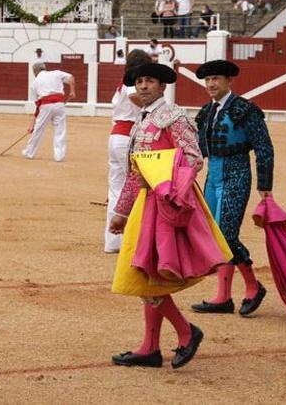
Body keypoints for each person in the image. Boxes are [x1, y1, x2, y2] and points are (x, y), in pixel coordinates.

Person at [109, 62, 226, 369]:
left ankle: (185, 332)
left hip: (165, 204)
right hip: (146, 205)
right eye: (140, 82)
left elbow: (192, 158)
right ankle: (150, 347)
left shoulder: (173, 117)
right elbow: (136, 172)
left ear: (163, 87)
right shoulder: (143, 119)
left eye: (150, 81)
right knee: (148, 272)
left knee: (148, 274)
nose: (144, 86)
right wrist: (121, 211)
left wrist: (163, 181)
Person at [190, 60, 274, 317]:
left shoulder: (244, 110)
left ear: (229, 81)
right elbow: (199, 150)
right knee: (215, 235)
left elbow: (263, 147)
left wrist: (265, 185)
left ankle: (252, 285)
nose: (211, 84)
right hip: (212, 177)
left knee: (226, 233)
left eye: (216, 79)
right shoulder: (206, 112)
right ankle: (223, 297)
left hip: (236, 175)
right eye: (208, 80)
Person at [104, 50, 151, 253]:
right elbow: (135, 97)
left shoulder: (124, 82)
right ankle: (129, 240)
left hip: (116, 136)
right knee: (132, 188)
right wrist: (155, 107)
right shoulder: (136, 83)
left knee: (116, 188)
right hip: (129, 136)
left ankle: (112, 242)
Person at [23, 62, 76, 162]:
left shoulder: (35, 82)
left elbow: (37, 105)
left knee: (39, 129)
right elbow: (71, 78)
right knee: (60, 130)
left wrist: (32, 125)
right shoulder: (56, 73)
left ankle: (29, 152)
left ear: (35, 71)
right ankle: (59, 156)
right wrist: (72, 91)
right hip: (59, 104)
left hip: (45, 106)